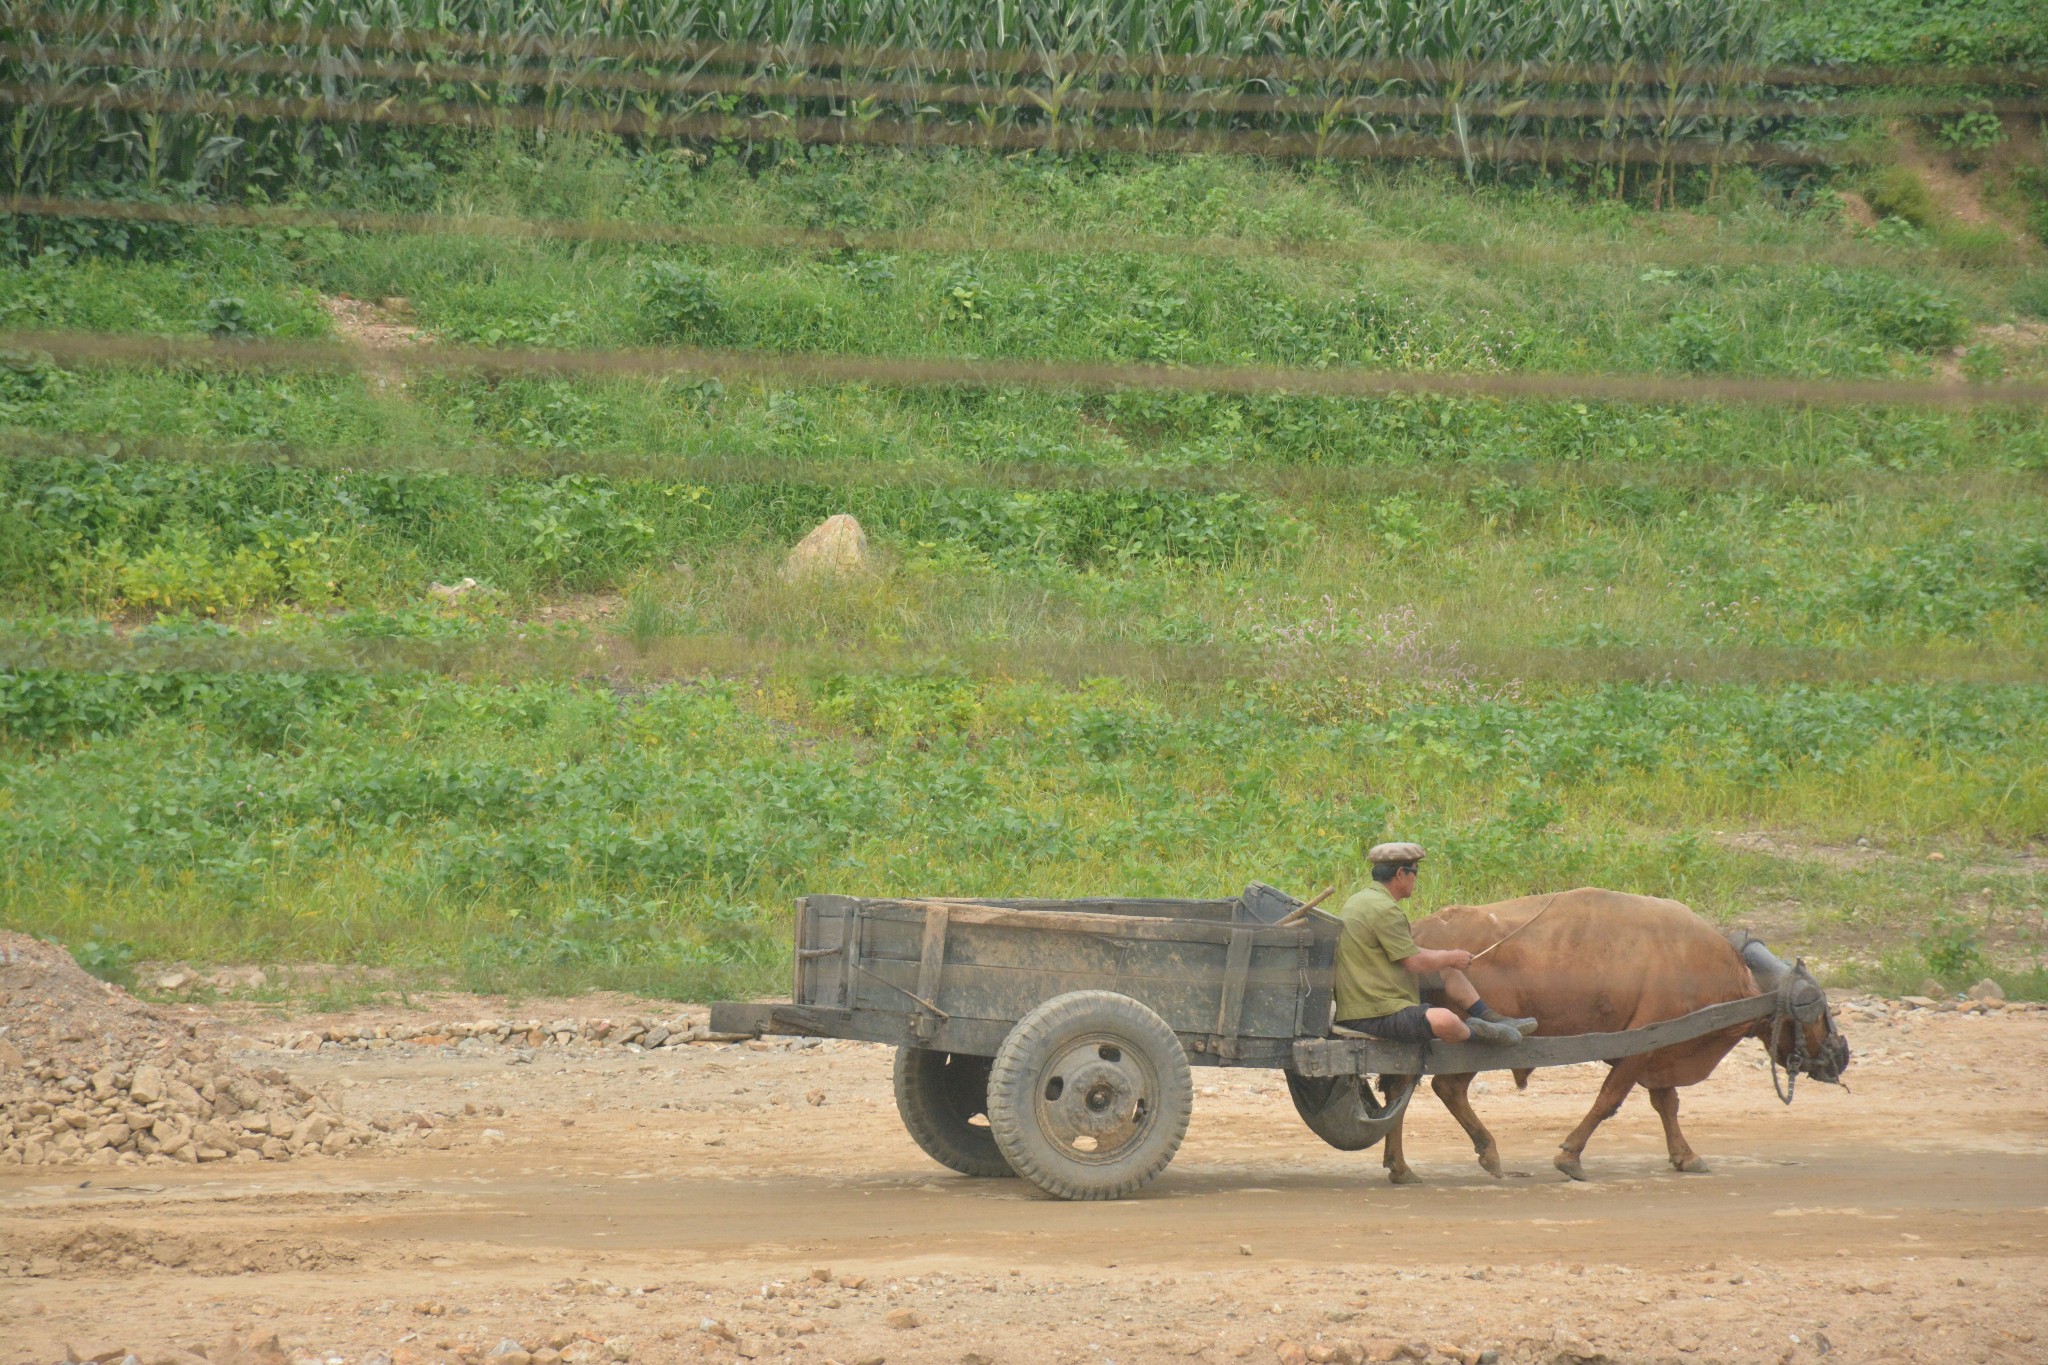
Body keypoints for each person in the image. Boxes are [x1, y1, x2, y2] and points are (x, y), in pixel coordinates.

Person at [1332, 842, 1537, 1046]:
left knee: (1446, 968)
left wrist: (1446, 958)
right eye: (1415, 872)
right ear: (1401, 873)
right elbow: (1413, 962)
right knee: (1445, 1020)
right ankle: (1481, 1033)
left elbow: (1403, 949)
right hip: (1375, 1011)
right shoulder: (1385, 909)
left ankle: (1490, 1017)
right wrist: (1452, 956)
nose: (1416, 879)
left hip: (1368, 1000)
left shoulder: (1361, 900)